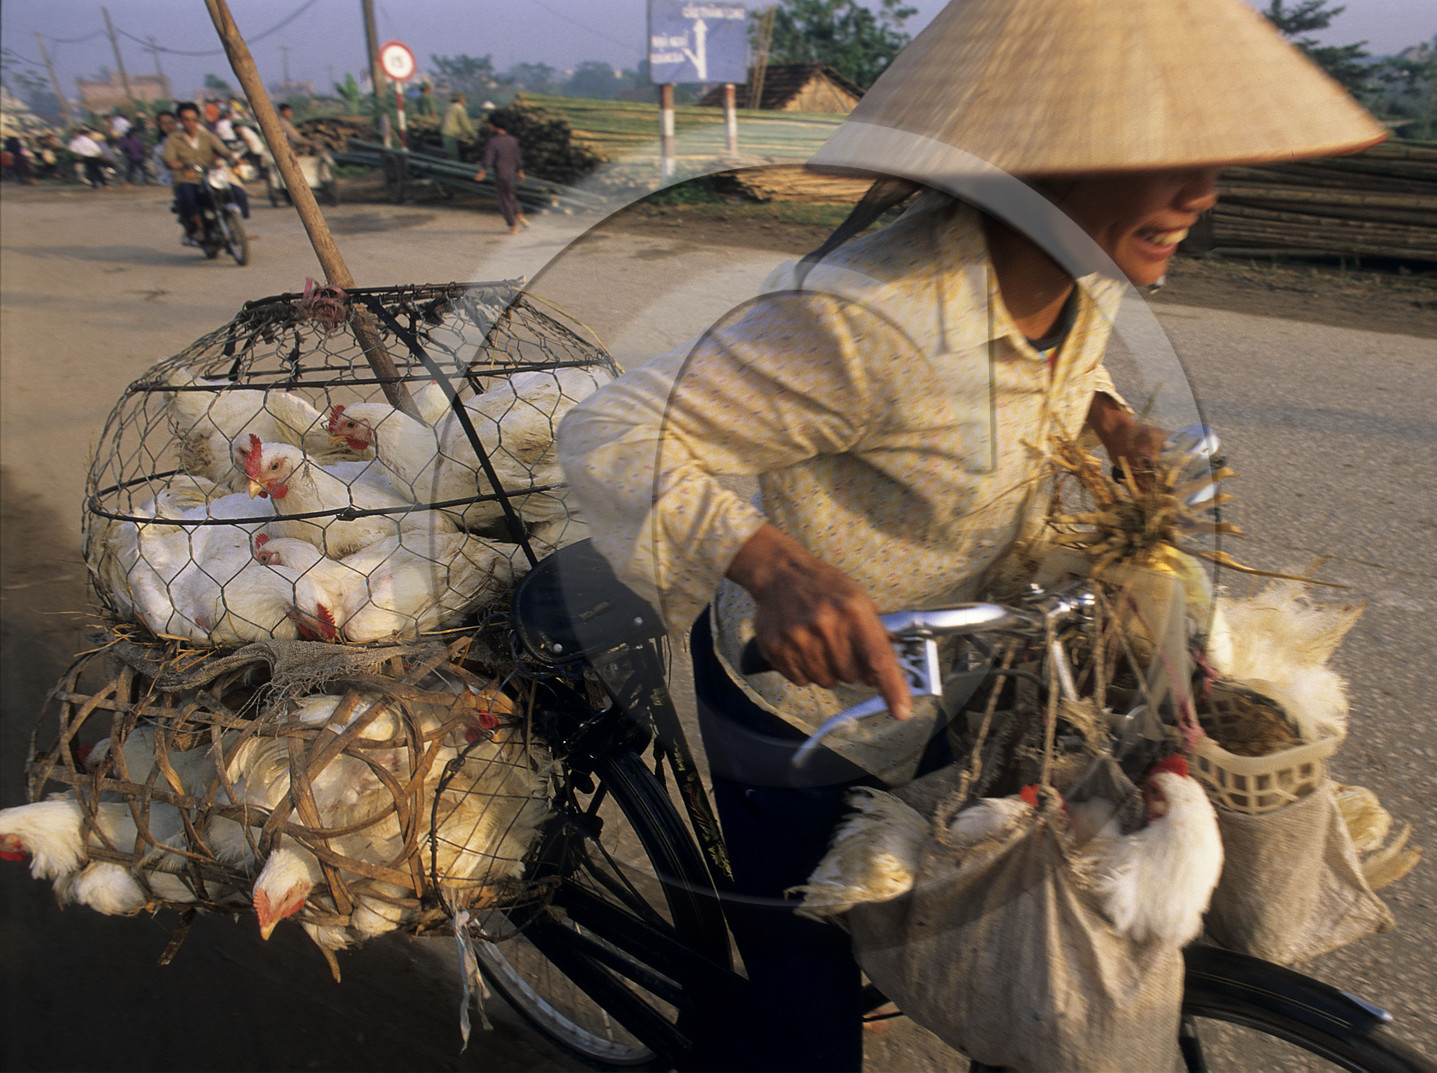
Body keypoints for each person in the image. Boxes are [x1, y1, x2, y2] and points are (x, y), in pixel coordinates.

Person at [558, 0, 1386, 1068]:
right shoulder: (865, 319)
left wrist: (1107, 419)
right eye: (1165, 156)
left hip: (972, 675)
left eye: (1210, 157)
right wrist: (776, 568)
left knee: (994, 934)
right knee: (810, 1028)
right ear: (1042, 165)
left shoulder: (1078, 272)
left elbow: (1053, 368)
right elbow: (613, 430)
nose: (1202, 190)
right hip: (810, 713)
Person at [162, 101, 243, 245]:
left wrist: (232, 158)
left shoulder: (207, 136)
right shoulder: (173, 139)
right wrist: (181, 165)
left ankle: (236, 226)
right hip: (186, 178)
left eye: (194, 119)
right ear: (180, 121)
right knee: (188, 195)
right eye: (186, 119)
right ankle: (199, 227)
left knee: (235, 191)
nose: (190, 123)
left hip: (209, 176)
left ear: (198, 119)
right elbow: (169, 160)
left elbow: (224, 151)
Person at [473, 111, 526, 233]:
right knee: (511, 195)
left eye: (490, 124)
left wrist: (482, 171)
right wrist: (520, 171)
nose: (489, 126)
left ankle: (513, 226)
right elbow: (517, 157)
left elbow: (488, 159)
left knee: (504, 199)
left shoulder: (493, 141)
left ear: (494, 125)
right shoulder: (512, 140)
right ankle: (519, 214)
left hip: (501, 174)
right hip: (511, 173)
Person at [439, 91, 473, 160]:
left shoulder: (449, 106)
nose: (464, 101)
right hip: (450, 134)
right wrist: (473, 135)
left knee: (448, 153)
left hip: (445, 133)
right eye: (464, 99)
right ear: (460, 99)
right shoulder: (459, 108)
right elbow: (465, 124)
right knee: (453, 156)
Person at [117, 120, 152, 185]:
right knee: (142, 169)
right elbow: (141, 147)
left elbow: (122, 147)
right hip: (139, 157)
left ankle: (129, 182)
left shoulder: (125, 140)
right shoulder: (136, 139)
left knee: (131, 170)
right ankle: (145, 182)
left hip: (132, 157)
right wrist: (144, 154)